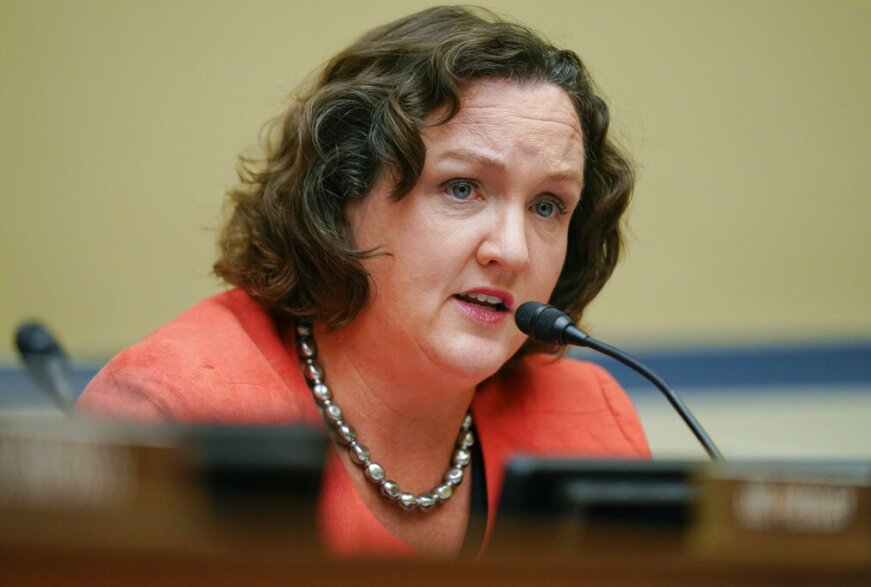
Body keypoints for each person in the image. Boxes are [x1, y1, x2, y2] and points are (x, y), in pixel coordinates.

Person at [78, 5, 649, 558]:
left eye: (548, 206)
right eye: (461, 188)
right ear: (342, 194)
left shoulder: (590, 423)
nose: (513, 251)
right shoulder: (173, 414)